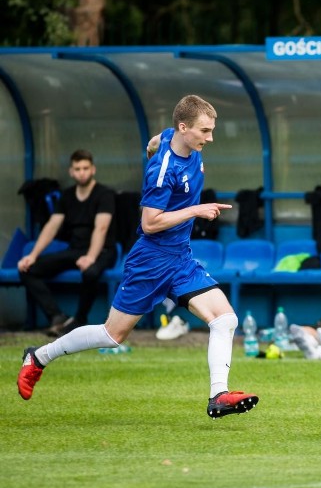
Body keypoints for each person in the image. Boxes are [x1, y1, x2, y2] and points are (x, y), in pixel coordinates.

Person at [17, 95, 259, 419]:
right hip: (151, 260)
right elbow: (150, 222)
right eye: (205, 130)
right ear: (184, 127)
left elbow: (156, 140)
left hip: (180, 259)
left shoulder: (174, 137)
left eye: (212, 130)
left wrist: (152, 148)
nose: (210, 137)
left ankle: (218, 395)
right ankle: (38, 356)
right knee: (111, 335)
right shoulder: (163, 170)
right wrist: (196, 210)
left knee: (225, 319)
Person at [18, 149, 117, 336]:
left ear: (93, 169)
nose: (82, 172)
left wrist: (90, 257)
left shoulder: (104, 194)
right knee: (27, 270)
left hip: (102, 251)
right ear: (71, 172)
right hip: (76, 250)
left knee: (90, 272)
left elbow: (101, 228)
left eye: (85, 168)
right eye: (77, 168)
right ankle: (57, 317)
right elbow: (52, 226)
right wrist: (32, 255)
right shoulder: (67, 195)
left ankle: (79, 321)